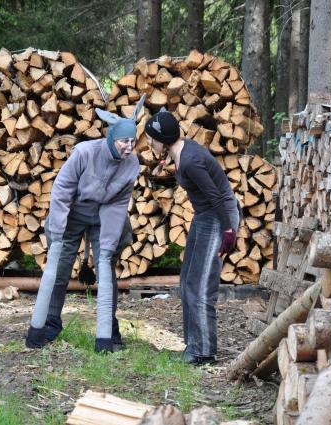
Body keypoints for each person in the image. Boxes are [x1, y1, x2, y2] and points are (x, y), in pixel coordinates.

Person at [25, 95, 146, 353]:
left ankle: (108, 330)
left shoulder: (131, 164)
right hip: (72, 216)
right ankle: (49, 323)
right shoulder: (85, 153)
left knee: (106, 271)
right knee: (59, 268)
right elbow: (62, 190)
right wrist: (57, 232)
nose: (129, 146)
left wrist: (108, 245)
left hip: (104, 219)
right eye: (125, 140)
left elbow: (117, 206)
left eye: (133, 141)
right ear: (112, 137)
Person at [144, 110, 239, 365]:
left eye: (152, 138)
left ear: (163, 139)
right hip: (205, 215)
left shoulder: (189, 161)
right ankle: (192, 346)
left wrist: (229, 231)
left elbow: (217, 196)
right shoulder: (181, 152)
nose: (149, 143)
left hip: (219, 217)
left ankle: (204, 351)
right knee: (187, 279)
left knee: (200, 285)